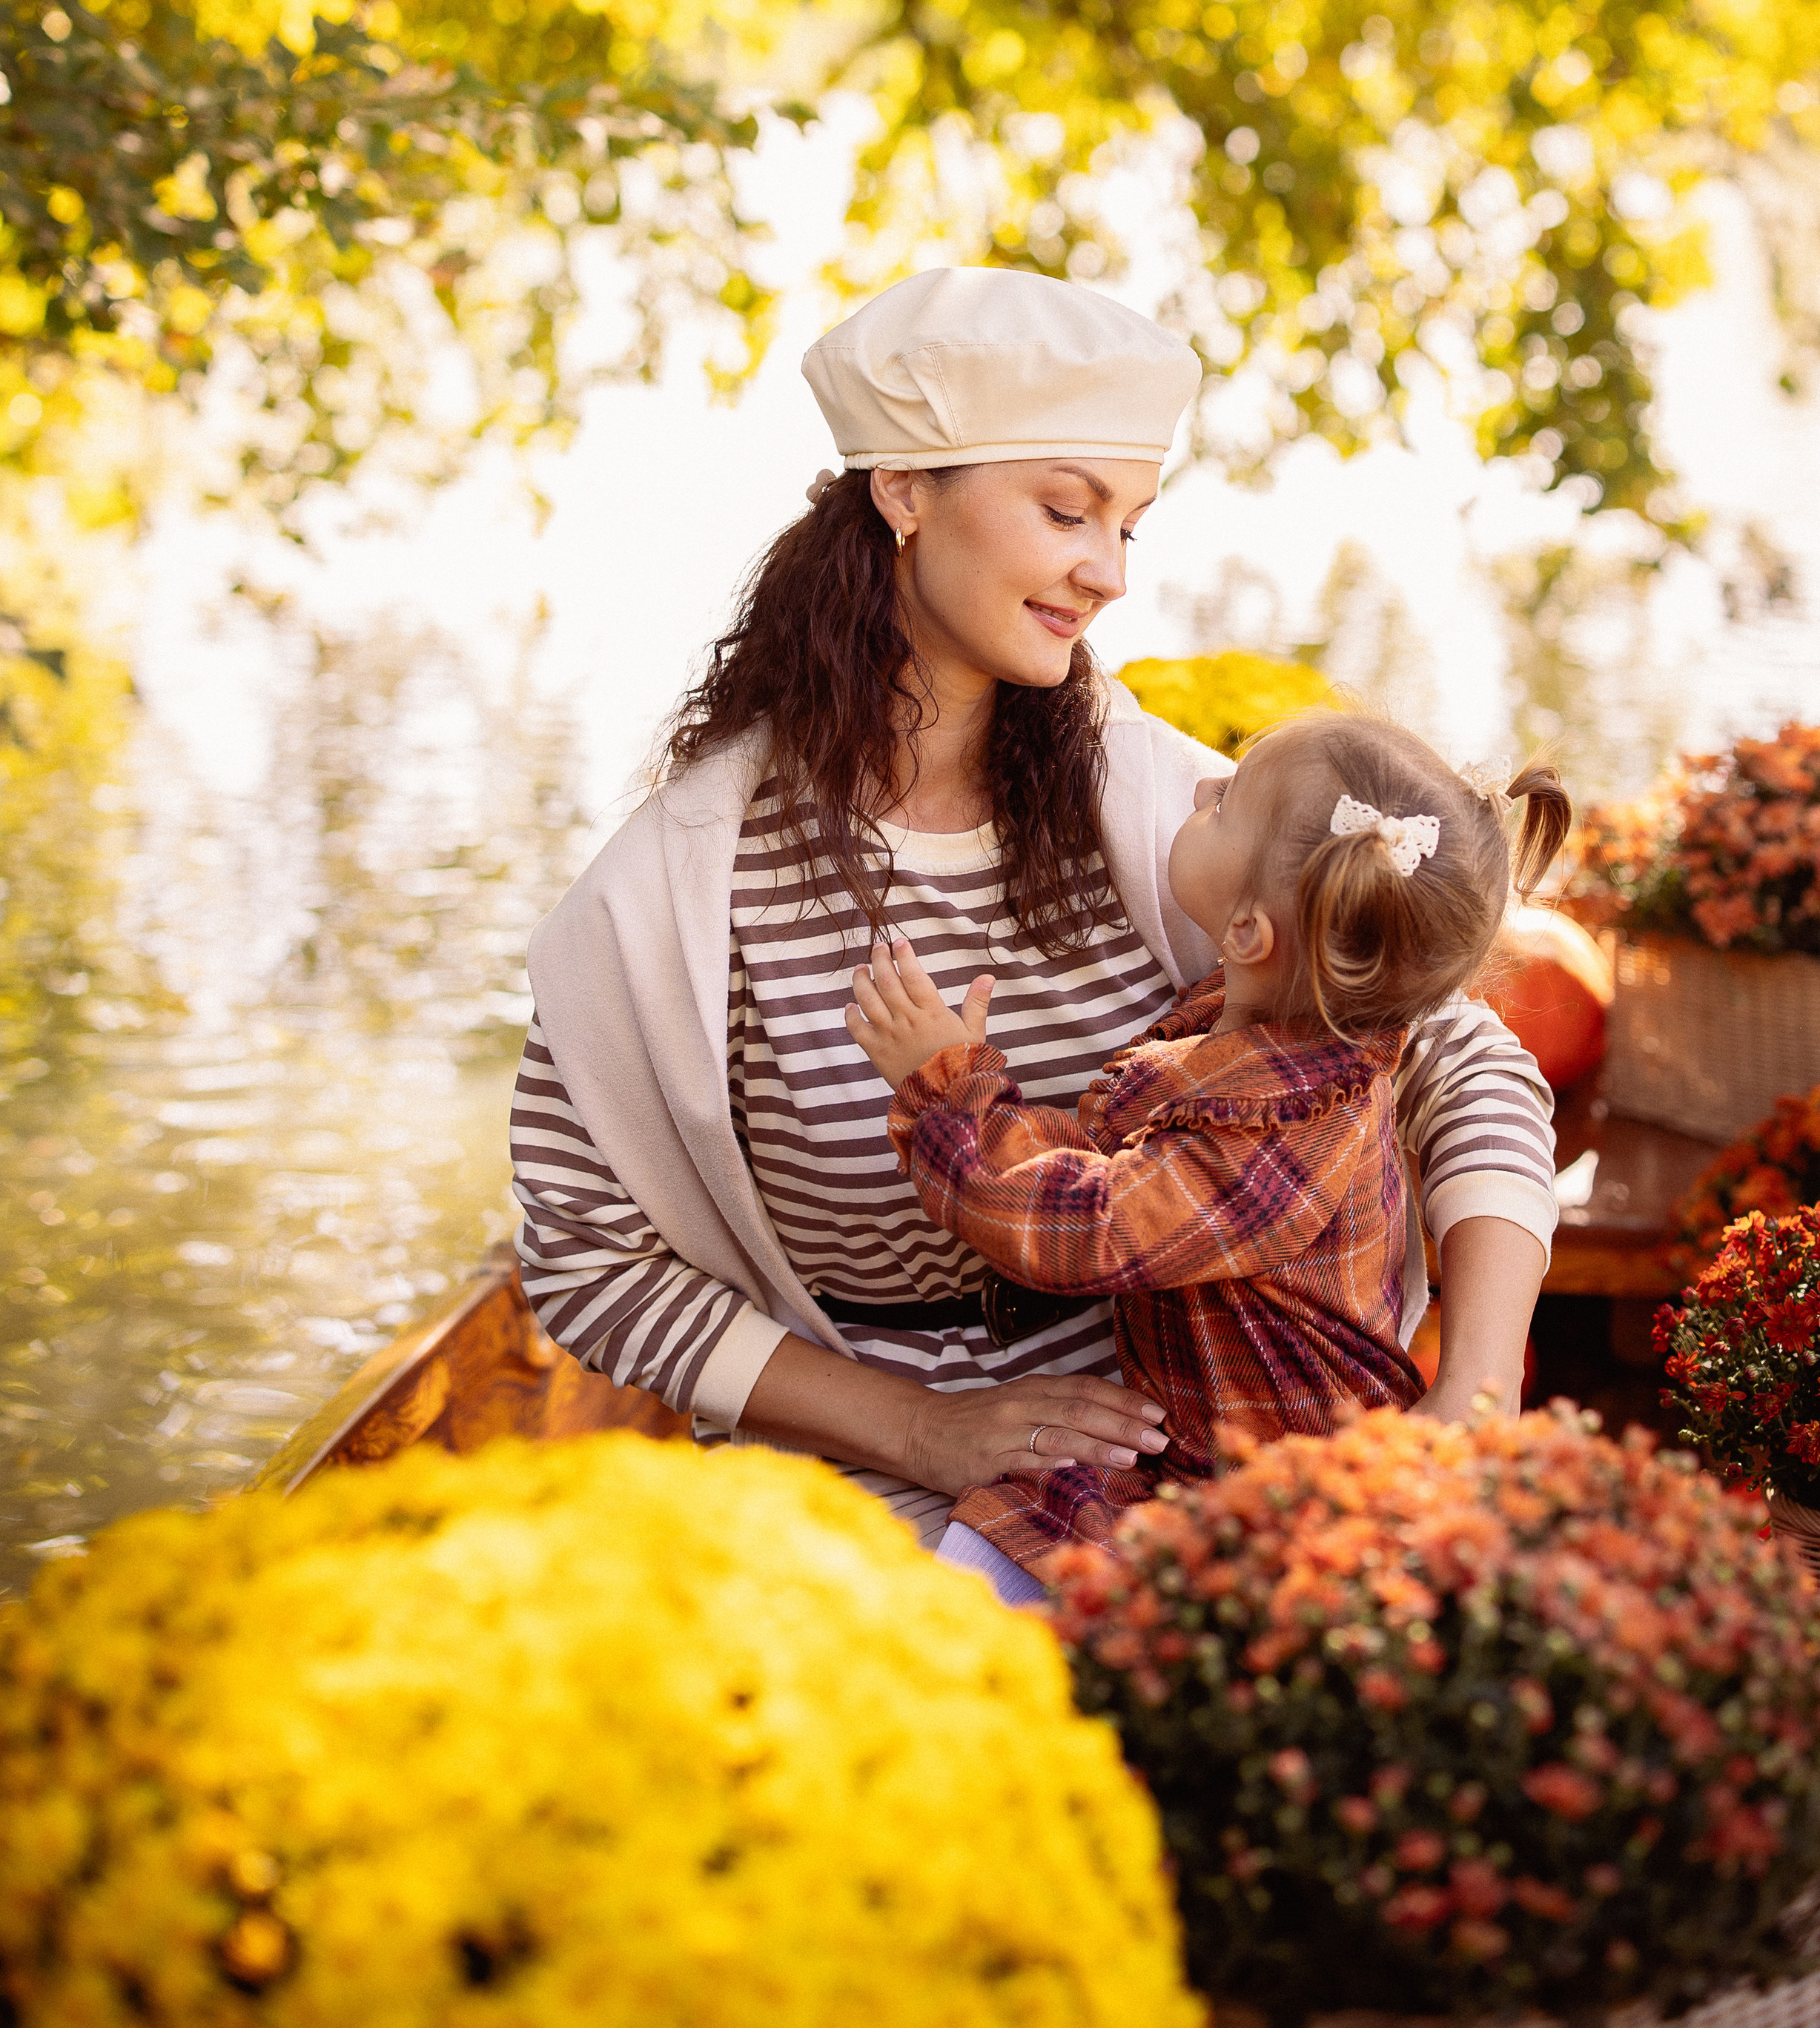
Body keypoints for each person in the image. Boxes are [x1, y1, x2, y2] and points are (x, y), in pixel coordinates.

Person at [510, 267, 1559, 1606]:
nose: (1108, 574)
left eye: (1131, 526)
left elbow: (1453, 1057)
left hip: (1202, 1442)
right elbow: (588, 1259)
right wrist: (923, 1433)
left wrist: (1476, 1380)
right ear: (904, 490)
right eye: (1067, 511)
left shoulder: (1164, 809)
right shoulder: (680, 891)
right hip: (854, 1460)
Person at [845, 711, 1572, 1586]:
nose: (1197, 786)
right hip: (1209, 1454)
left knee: (981, 1601)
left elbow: (1093, 1227)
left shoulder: (1282, 1132)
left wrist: (947, 1094)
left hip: (1274, 1503)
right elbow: (1114, 1161)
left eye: (1224, 804)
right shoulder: (1260, 1041)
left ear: (1245, 935)